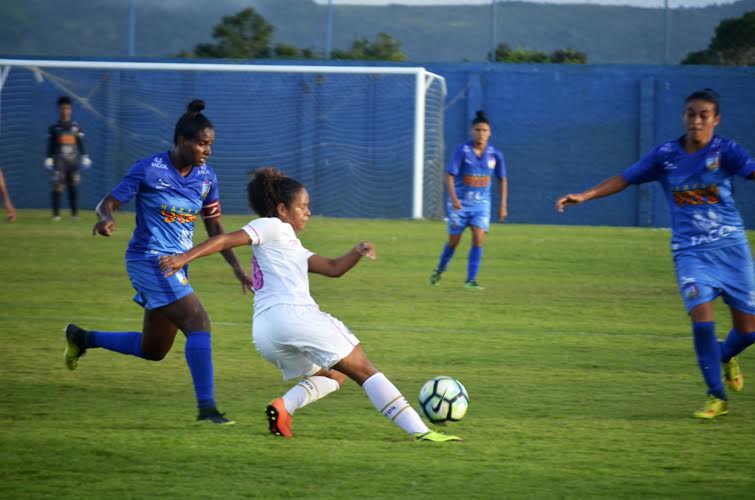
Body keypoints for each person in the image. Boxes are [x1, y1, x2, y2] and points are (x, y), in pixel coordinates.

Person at [159, 167, 462, 442]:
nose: (308, 212)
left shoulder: (289, 242)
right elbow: (225, 240)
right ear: (282, 209)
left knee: (333, 376)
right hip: (295, 318)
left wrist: (356, 252)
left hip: (266, 332)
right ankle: (422, 432)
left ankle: (284, 407)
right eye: (302, 206)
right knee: (365, 370)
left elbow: (332, 267)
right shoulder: (271, 227)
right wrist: (184, 258)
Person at [556, 89, 755, 419]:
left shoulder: (727, 151)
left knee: (749, 331)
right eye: (691, 113)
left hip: (731, 249)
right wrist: (584, 195)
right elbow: (625, 178)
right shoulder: (666, 156)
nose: (697, 120)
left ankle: (723, 354)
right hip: (691, 252)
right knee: (701, 316)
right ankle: (715, 396)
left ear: (716, 119)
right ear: (684, 117)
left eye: (704, 114)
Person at [64, 99, 253, 425]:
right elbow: (106, 203)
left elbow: (216, 228)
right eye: (201, 143)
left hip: (176, 265)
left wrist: (237, 268)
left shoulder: (207, 178)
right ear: (182, 141)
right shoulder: (149, 168)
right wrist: (105, 219)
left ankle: (82, 338)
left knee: (154, 349)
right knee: (199, 322)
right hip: (149, 261)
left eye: (211, 144)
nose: (207, 150)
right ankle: (207, 408)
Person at [429, 110, 508, 290]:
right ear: (472, 131)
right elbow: (449, 175)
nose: (481, 133)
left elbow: (502, 179)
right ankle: (439, 270)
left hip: (481, 205)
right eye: (478, 130)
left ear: (490, 132)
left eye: (484, 130)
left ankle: (470, 280)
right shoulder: (462, 151)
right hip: (460, 204)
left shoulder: (495, 155)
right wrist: (455, 199)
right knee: (454, 241)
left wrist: (503, 206)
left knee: (478, 238)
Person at [46, 95, 92, 221]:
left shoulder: (76, 127)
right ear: (59, 110)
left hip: (73, 162)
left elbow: (80, 143)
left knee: (73, 187)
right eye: (62, 108)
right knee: (57, 187)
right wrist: (49, 157)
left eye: (67, 108)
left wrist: (85, 156)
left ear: (70, 110)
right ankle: (56, 215)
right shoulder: (54, 128)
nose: (65, 111)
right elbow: (51, 144)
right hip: (59, 162)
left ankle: (75, 214)